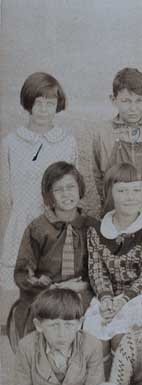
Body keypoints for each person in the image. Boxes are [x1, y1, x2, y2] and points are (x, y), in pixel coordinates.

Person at [1, 72, 77, 289]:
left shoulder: (67, 142)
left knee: (54, 287)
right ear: (28, 103)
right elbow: (5, 195)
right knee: (23, 285)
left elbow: (72, 191)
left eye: (50, 103)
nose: (44, 109)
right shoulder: (11, 143)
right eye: (38, 103)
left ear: (58, 105)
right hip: (21, 222)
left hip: (54, 223)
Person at [10, 162, 97, 351]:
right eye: (58, 190)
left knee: (90, 323)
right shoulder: (38, 228)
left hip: (82, 291)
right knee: (47, 318)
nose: (66, 194)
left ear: (79, 188)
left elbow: (101, 267)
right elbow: (23, 273)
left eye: (71, 187)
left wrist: (87, 284)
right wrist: (54, 286)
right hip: (45, 291)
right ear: (50, 196)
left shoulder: (91, 226)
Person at [82, 163, 142, 354]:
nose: (130, 197)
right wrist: (106, 299)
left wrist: (123, 300)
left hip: (137, 298)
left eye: (136, 190)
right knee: (93, 343)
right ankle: (97, 381)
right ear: (110, 193)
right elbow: (97, 270)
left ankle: (125, 381)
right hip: (106, 298)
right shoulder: (96, 230)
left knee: (122, 341)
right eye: (122, 191)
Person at [90, 67, 142, 217]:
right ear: (113, 100)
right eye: (126, 101)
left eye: (139, 101)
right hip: (115, 214)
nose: (133, 108)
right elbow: (99, 177)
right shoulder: (103, 133)